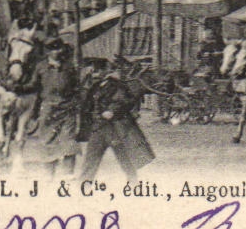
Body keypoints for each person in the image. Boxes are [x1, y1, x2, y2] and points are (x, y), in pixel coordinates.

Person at [78, 57, 155, 183]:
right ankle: (84, 185)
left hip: (115, 128)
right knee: (90, 159)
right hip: (98, 129)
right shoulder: (94, 87)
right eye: (93, 70)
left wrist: (112, 110)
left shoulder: (117, 85)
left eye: (98, 70)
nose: (95, 73)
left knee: (124, 158)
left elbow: (125, 100)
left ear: (105, 71)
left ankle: (133, 183)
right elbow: (87, 104)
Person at [31, 42, 81, 179]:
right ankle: (49, 172)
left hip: (67, 106)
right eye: (53, 49)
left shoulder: (69, 66)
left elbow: (76, 86)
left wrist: (75, 102)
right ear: (48, 52)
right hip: (49, 107)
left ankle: (68, 171)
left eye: (59, 48)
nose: (57, 51)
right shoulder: (41, 67)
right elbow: (34, 86)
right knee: (48, 138)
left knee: (69, 138)